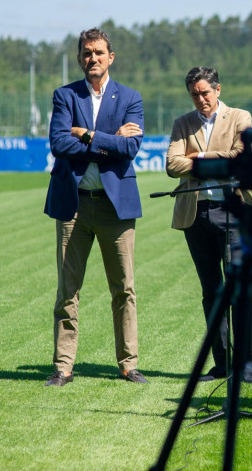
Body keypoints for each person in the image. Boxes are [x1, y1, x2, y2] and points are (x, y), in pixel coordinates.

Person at [43, 28, 146, 386]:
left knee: (124, 289)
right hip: (73, 207)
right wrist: (108, 142)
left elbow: (131, 149)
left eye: (99, 52)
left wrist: (86, 135)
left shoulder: (130, 98)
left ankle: (128, 364)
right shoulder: (64, 96)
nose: (93, 58)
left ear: (111, 57)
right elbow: (59, 144)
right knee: (67, 290)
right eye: (87, 53)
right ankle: (63, 367)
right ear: (79, 58)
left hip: (115, 209)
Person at [165, 67, 252, 383]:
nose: (200, 99)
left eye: (205, 92)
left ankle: (245, 364)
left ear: (218, 89)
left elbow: (240, 156)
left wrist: (198, 158)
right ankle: (222, 364)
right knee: (212, 292)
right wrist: (217, 161)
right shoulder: (183, 123)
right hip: (196, 216)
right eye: (194, 94)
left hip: (233, 212)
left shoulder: (239, 117)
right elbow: (172, 165)